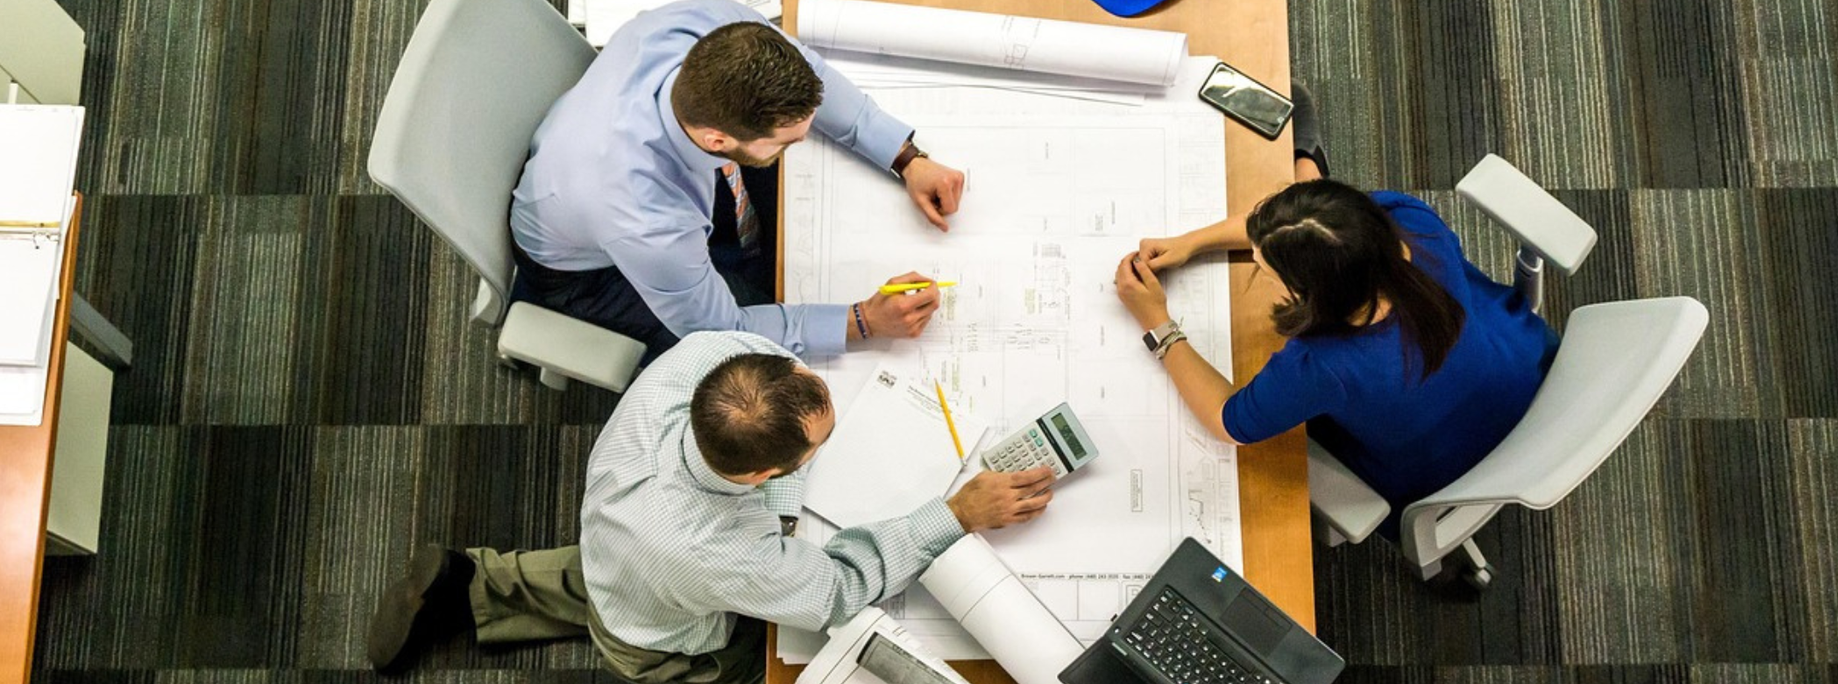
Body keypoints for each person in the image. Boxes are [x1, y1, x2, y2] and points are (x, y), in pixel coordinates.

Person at [366, 331, 1055, 682]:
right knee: (701, 643)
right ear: (762, 473)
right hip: (658, 638)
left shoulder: (710, 357)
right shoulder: (716, 552)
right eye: (820, 444)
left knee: (613, 577)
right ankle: (482, 592)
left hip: (620, 539)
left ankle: (473, 582)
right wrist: (955, 513)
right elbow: (839, 590)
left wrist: (778, 507)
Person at [1109, 89, 1558, 536]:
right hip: (1524, 366)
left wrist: (1157, 323)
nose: (1258, 268)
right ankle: (1308, 162)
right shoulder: (1405, 219)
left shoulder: (1322, 367)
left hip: (1445, 469)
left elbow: (1231, 422)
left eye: (1266, 269)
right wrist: (1192, 242)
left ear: (1314, 294)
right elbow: (1298, 227)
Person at [510, 0, 969, 362]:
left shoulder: (712, 25)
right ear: (717, 138)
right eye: (787, 140)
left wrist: (905, 157)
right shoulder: (645, 218)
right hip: (587, 274)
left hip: (596, 168)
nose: (805, 139)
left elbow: (815, 76)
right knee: (764, 366)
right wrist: (862, 321)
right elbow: (722, 330)